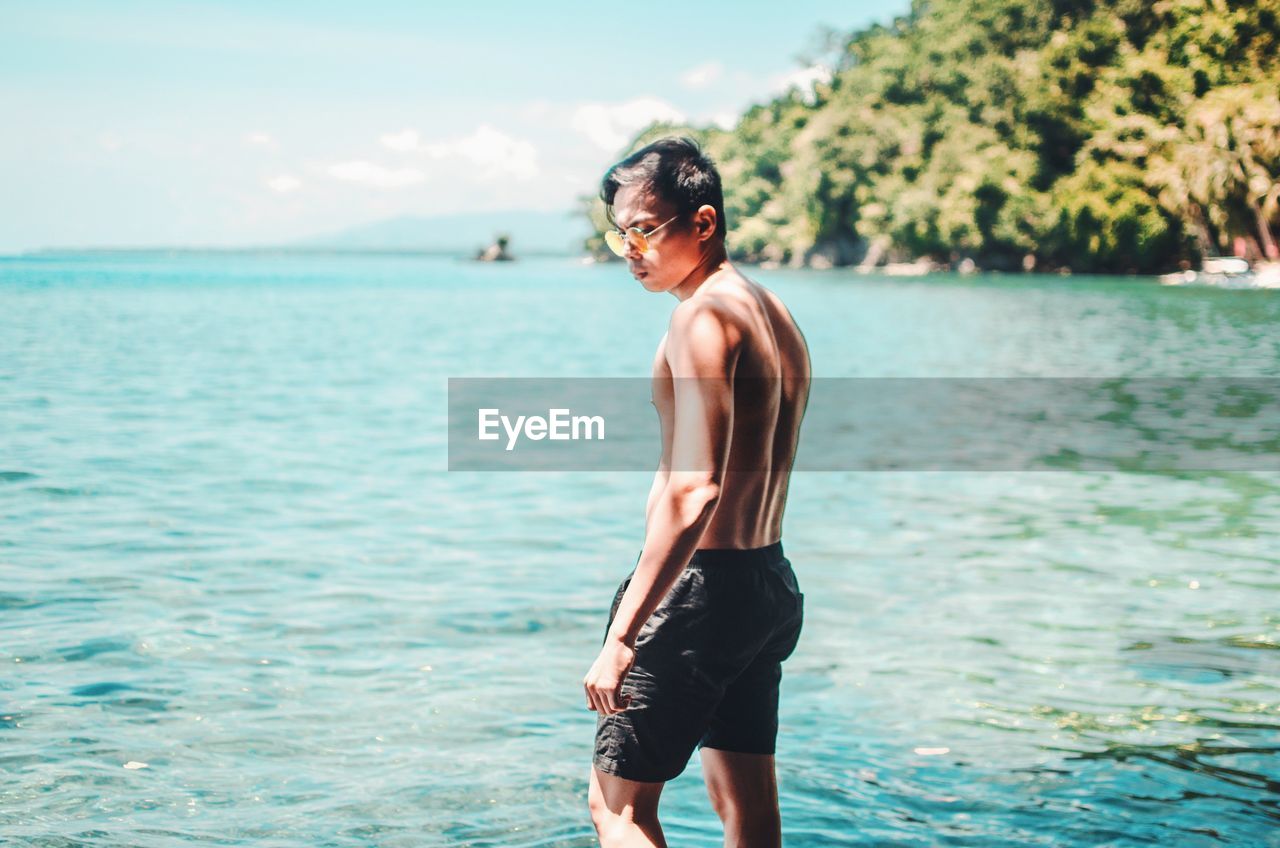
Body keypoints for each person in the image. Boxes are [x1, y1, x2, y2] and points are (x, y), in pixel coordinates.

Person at [582, 136, 812, 847]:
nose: (630, 247)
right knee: (744, 806)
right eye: (621, 231)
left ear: (703, 224)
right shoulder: (772, 314)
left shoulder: (701, 317)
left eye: (645, 228)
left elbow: (694, 490)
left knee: (618, 810)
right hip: (763, 584)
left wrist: (623, 637)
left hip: (699, 591)